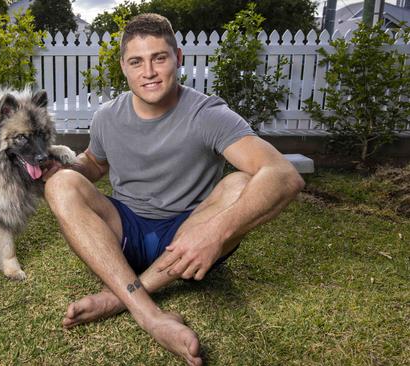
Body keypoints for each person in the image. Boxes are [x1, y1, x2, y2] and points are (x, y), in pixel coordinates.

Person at [42, 13, 305, 366]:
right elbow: (95, 163)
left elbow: (284, 175)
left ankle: (119, 297)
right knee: (61, 184)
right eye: (136, 61)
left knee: (241, 182)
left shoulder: (208, 114)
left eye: (159, 58)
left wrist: (215, 232)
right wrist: (67, 169)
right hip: (125, 234)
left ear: (178, 58)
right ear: (123, 66)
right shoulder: (107, 116)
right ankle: (149, 314)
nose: (148, 72)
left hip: (190, 241)